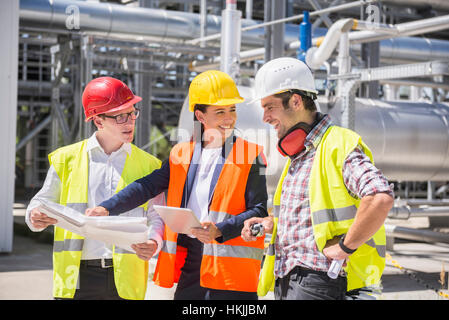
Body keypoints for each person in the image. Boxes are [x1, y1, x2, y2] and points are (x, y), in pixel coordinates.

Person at [85, 70, 268, 300]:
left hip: (230, 269)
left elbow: (259, 210)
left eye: (232, 109)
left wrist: (220, 229)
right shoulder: (181, 153)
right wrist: (107, 208)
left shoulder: (251, 154)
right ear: (200, 116)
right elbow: (147, 186)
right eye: (220, 111)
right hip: (191, 262)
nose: (229, 118)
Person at [241, 57, 394, 300]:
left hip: (319, 280)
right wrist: (270, 223)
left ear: (295, 101)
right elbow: (308, 216)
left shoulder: (338, 144)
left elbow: (379, 197)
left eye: (269, 107)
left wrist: (345, 247)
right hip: (288, 278)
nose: (265, 118)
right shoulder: (300, 155)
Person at [25, 77, 165, 300]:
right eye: (120, 116)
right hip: (76, 277)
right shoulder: (66, 159)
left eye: (132, 113)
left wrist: (154, 242)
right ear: (98, 121)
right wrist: (34, 217)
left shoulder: (150, 165)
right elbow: (39, 203)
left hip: (126, 279)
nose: (130, 122)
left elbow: (157, 217)